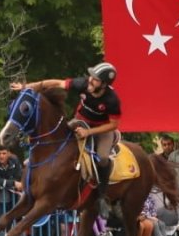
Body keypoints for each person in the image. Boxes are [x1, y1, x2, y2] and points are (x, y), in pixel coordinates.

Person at [12, 61, 121, 194]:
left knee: (103, 158)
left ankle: (103, 196)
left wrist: (88, 132)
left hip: (101, 129)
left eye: (95, 80)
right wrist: (28, 87)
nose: (90, 81)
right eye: (91, 77)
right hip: (80, 121)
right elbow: (57, 83)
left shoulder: (112, 100)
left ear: (104, 84)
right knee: (56, 135)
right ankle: (35, 158)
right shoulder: (83, 83)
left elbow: (114, 124)